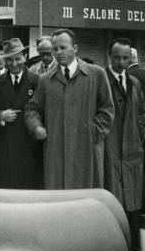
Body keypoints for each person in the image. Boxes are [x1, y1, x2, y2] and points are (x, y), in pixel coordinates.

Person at [25, 28, 114, 189]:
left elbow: (107, 109)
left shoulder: (96, 74)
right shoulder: (46, 80)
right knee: (58, 200)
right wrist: (36, 126)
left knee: (86, 198)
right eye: (55, 49)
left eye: (63, 48)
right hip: (55, 151)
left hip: (87, 151)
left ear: (75, 48)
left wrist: (93, 133)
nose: (58, 52)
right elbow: (33, 108)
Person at [105, 38, 145, 251]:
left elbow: (141, 114)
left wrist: (139, 137)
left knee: (132, 202)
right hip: (109, 150)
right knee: (113, 202)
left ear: (131, 58)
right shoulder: (100, 80)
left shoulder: (135, 83)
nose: (121, 62)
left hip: (131, 151)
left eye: (125, 58)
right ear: (109, 57)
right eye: (116, 57)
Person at [0, 38, 42, 189]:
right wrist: (0, 116)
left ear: (25, 57)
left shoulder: (39, 82)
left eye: (18, 59)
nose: (14, 63)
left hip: (31, 148)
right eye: (9, 60)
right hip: (5, 148)